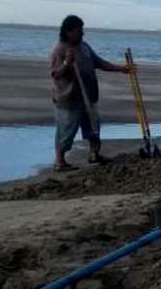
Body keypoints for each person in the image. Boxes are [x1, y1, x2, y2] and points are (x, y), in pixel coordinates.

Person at [48, 14, 129, 172]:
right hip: (69, 99)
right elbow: (55, 74)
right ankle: (60, 162)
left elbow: (99, 62)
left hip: (89, 96)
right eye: (79, 31)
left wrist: (121, 69)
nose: (82, 33)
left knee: (93, 127)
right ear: (68, 31)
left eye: (82, 30)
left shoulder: (84, 46)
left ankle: (94, 154)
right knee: (66, 131)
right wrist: (66, 63)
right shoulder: (59, 49)